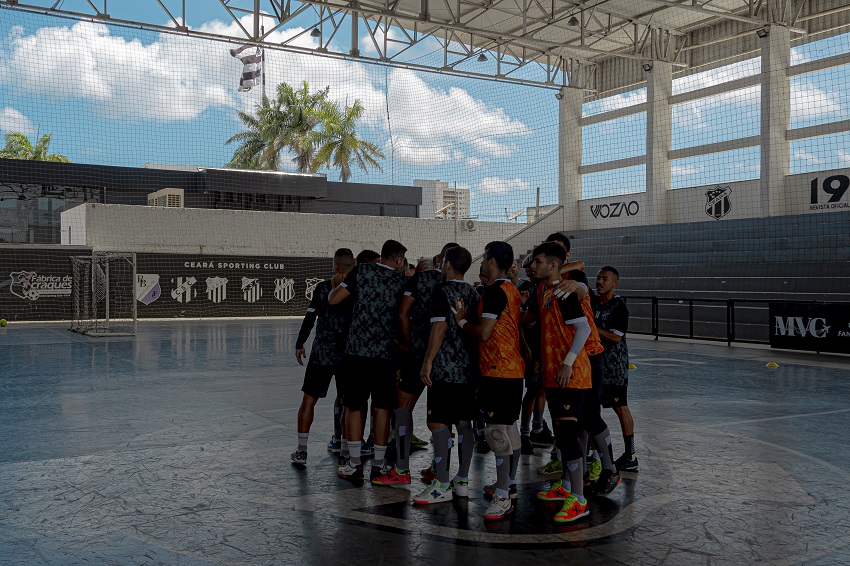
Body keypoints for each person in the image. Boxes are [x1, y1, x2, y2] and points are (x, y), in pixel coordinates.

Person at [453, 241, 524, 521]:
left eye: (484, 259)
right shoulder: (511, 289)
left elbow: (484, 333)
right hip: (511, 371)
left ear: (492, 261)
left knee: (496, 433)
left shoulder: (495, 292)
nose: (480, 264)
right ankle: (508, 485)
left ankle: (503, 495)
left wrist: (461, 321)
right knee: (509, 430)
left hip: (498, 371)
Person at [545, 232, 621, 495]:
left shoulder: (572, 281)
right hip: (572, 359)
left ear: (564, 257)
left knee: (588, 416)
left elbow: (580, 287)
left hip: (588, 357)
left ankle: (608, 467)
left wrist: (577, 286)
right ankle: (572, 481)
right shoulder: (549, 285)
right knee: (572, 422)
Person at [523, 242, 593, 522]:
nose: (533, 266)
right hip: (554, 373)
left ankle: (578, 500)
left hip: (570, 374)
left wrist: (567, 362)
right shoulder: (543, 290)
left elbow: (584, 328)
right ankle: (566, 488)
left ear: (553, 265)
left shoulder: (565, 291)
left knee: (567, 436)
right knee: (563, 436)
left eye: (538, 261)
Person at [329, 240, 409, 483]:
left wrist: (336, 286)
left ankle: (353, 463)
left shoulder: (360, 271)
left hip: (357, 351)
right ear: (398, 260)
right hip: (386, 354)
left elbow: (334, 299)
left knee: (354, 406)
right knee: (382, 407)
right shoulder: (401, 281)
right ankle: (378, 464)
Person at [412, 246, 480, 504]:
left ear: (448, 264)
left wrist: (427, 361)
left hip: (445, 369)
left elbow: (439, 327)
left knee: (437, 423)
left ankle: (441, 483)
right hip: (468, 370)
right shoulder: (472, 292)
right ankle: (461, 481)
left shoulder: (441, 291)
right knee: (464, 423)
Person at [291, 249, 356, 466]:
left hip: (322, 354)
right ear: (353, 265)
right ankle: (346, 452)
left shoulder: (322, 288)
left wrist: (300, 343)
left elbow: (310, 318)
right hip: (348, 354)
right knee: (348, 405)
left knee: (309, 400)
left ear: (336, 266)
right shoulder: (356, 288)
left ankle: (301, 450)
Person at [592, 266, 637, 472]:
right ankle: (594, 454)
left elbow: (616, 336)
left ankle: (630, 455)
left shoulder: (618, 306)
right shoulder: (593, 303)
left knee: (621, 407)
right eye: (598, 278)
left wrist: (591, 328)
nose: (600, 282)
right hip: (595, 364)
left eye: (605, 279)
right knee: (591, 409)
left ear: (615, 283)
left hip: (614, 366)